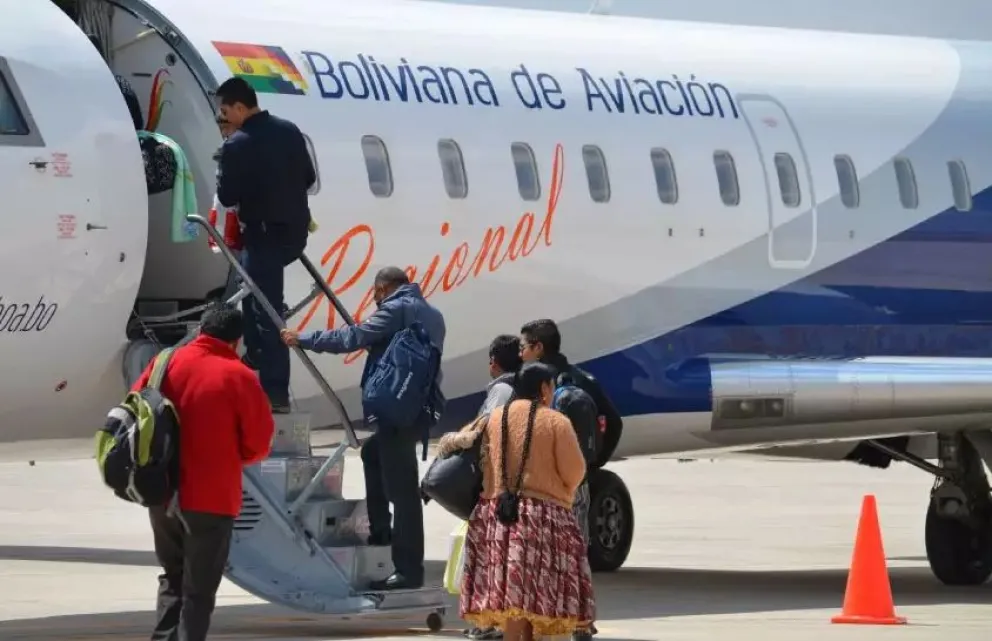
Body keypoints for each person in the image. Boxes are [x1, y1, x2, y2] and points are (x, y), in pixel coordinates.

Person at [280, 266, 446, 591]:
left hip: (396, 409)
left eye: (375, 296)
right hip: (418, 407)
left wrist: (304, 338)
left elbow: (352, 337)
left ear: (382, 289)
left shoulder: (395, 309)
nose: (375, 302)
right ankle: (380, 531)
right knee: (372, 454)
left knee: (404, 494)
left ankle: (408, 570)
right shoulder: (432, 314)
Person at [130, 303, 275, 641]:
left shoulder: (164, 362)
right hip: (211, 498)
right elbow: (258, 445)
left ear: (200, 330)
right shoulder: (238, 375)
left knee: (172, 576)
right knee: (199, 590)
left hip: (162, 491)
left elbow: (135, 407)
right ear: (236, 341)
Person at [439, 362, 596, 641]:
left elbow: (456, 442)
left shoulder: (493, 418)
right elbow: (575, 471)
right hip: (544, 520)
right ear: (544, 389)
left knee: (512, 604)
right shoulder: (556, 422)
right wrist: (561, 493)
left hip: (497, 519)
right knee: (542, 603)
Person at [215, 76, 316, 413]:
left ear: (239, 107)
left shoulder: (237, 144)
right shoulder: (290, 131)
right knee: (251, 288)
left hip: (263, 236)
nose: (225, 118)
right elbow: (309, 178)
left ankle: (275, 390)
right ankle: (256, 355)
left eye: (225, 112)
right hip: (295, 237)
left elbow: (226, 196)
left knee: (266, 311)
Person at [519, 319, 622, 641]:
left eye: (524, 346)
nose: (521, 353)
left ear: (538, 347)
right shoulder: (583, 380)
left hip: (544, 487)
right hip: (578, 484)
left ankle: (546, 619)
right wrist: (593, 466)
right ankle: (580, 620)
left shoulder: (533, 384)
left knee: (541, 557)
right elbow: (614, 422)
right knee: (576, 555)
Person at [463, 334, 522, 641]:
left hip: (496, 489)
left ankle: (492, 625)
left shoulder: (502, 391)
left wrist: (452, 443)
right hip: (510, 487)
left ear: (493, 362)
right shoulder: (523, 389)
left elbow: (483, 430)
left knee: (490, 558)